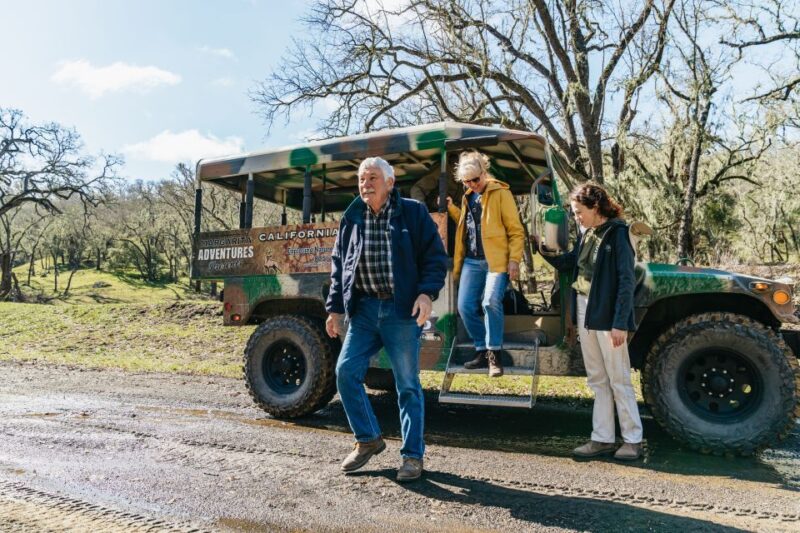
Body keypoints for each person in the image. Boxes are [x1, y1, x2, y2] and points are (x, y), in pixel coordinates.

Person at [325, 157, 448, 482]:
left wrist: (426, 294)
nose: (365, 184)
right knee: (345, 372)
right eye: (362, 179)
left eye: (372, 178)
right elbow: (340, 265)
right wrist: (334, 309)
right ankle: (368, 439)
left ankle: (412, 456)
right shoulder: (352, 217)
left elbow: (435, 258)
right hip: (364, 310)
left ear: (390, 183)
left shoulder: (413, 212)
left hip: (401, 311)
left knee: (407, 385)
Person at [542, 182, 644, 461]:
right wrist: (544, 251)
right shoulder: (587, 233)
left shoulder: (619, 234)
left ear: (595, 207)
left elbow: (626, 281)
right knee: (597, 378)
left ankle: (633, 440)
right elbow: (571, 263)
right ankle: (602, 438)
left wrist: (620, 323)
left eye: (579, 212)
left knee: (619, 378)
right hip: (584, 308)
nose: (576, 217)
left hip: (608, 314)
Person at [447, 151, 525, 377]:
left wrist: (514, 260)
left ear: (484, 172)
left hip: (496, 261)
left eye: (475, 179)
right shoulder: (468, 197)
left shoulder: (501, 193)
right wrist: (452, 208)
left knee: (490, 302)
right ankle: (481, 349)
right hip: (472, 261)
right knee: (464, 307)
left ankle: (494, 356)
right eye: (467, 181)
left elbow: (516, 231)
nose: (472, 184)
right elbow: (468, 225)